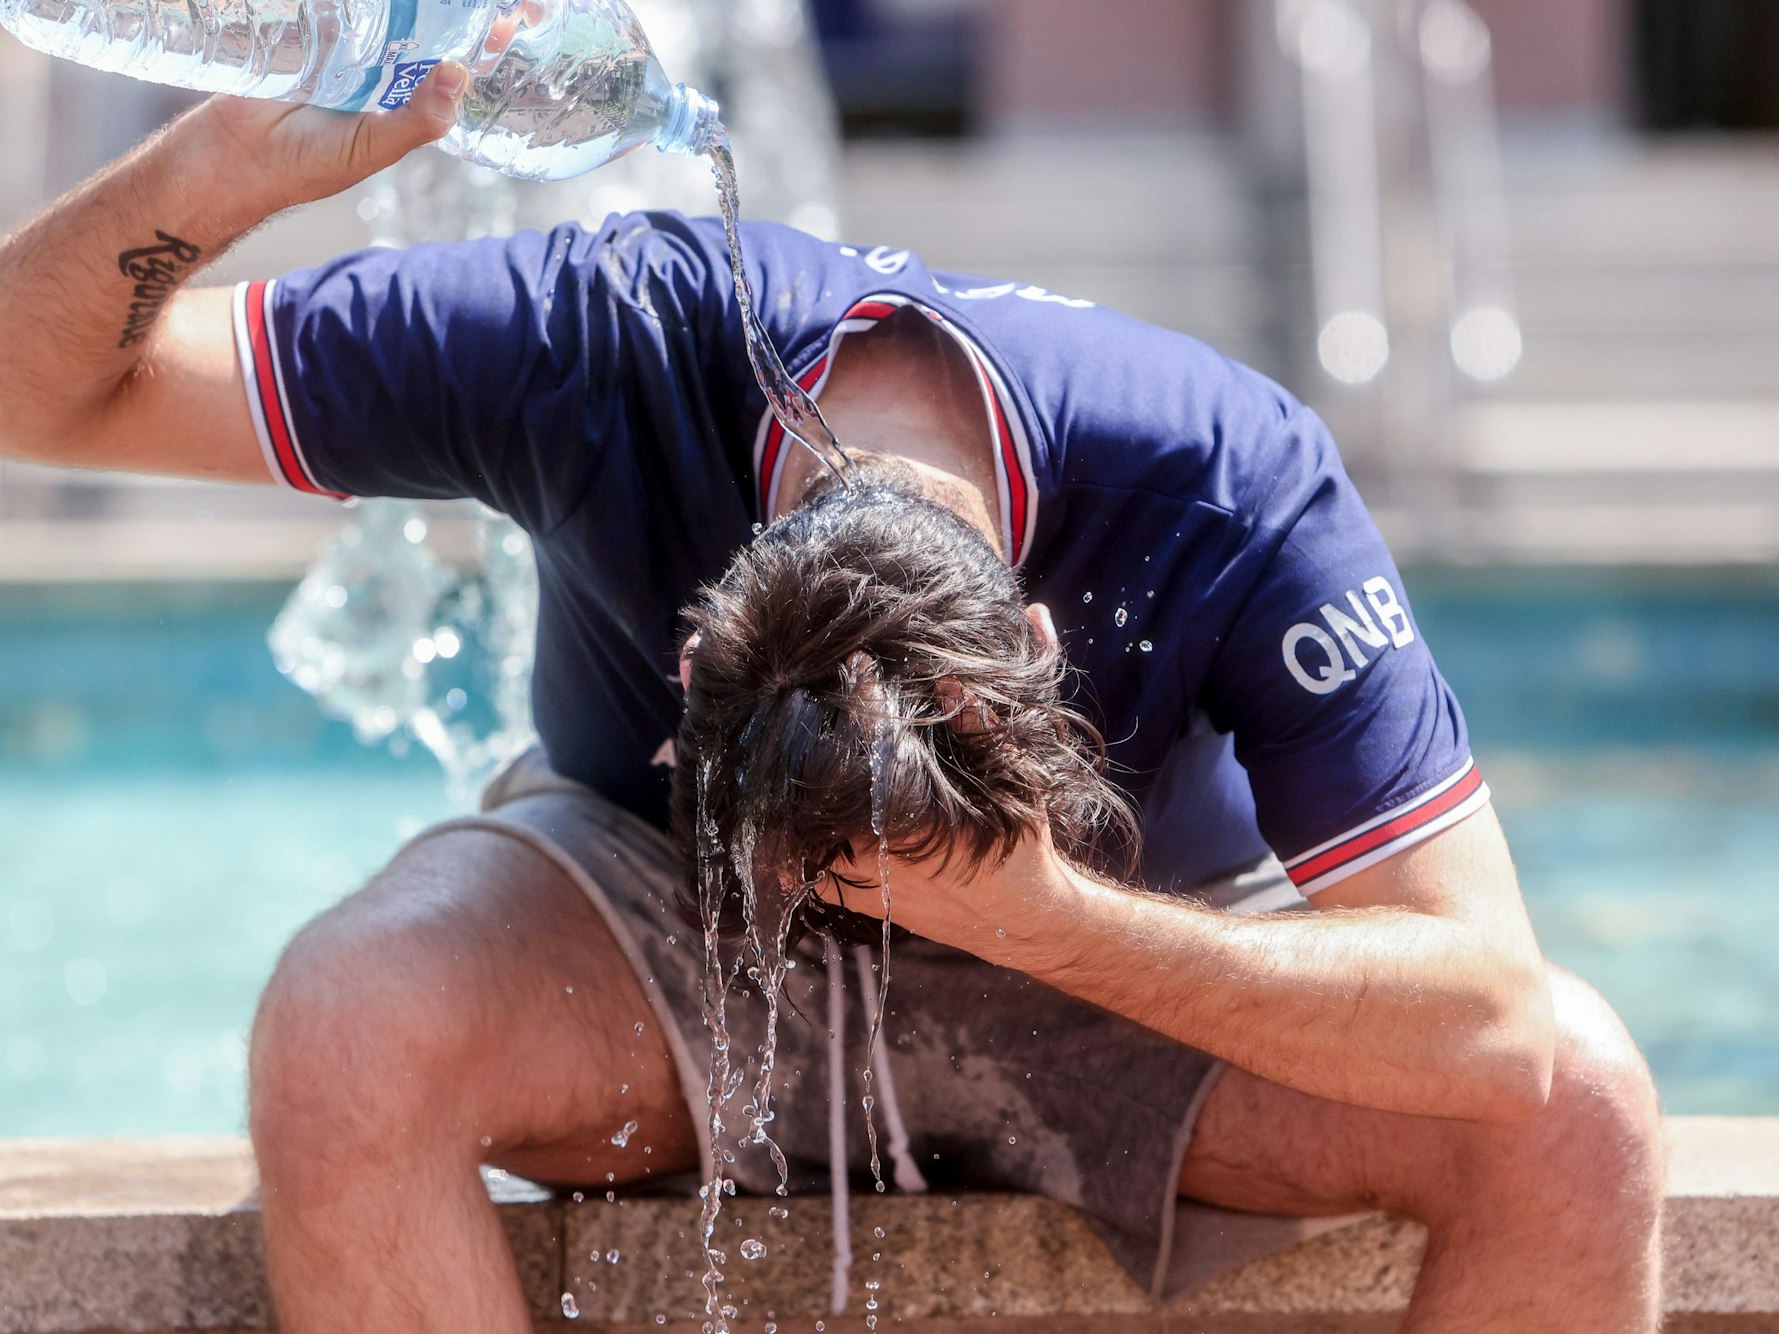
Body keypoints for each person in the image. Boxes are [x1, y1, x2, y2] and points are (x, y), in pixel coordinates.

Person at [0, 65, 1664, 1333]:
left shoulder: (1228, 482)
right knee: (348, 1021)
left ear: (1034, 639)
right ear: (696, 654)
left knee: (1579, 1110)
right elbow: (36, 388)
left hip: (1116, 947)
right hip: (660, 927)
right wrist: (211, 176)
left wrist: (1059, 921)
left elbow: (1497, 1014)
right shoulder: (592, 339)